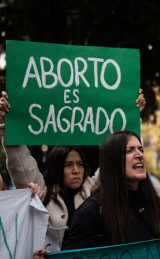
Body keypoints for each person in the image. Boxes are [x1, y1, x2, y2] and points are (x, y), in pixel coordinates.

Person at [32, 130, 160, 258]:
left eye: (141, 149)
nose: (139, 154)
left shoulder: (155, 206)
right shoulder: (91, 212)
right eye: (129, 150)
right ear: (112, 162)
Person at [0, 89, 146, 249]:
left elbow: (116, 155)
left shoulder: (95, 188)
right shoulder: (41, 194)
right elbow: (20, 163)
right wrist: (7, 124)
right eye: (68, 165)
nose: (76, 170)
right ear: (56, 168)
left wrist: (131, 114)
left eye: (80, 164)